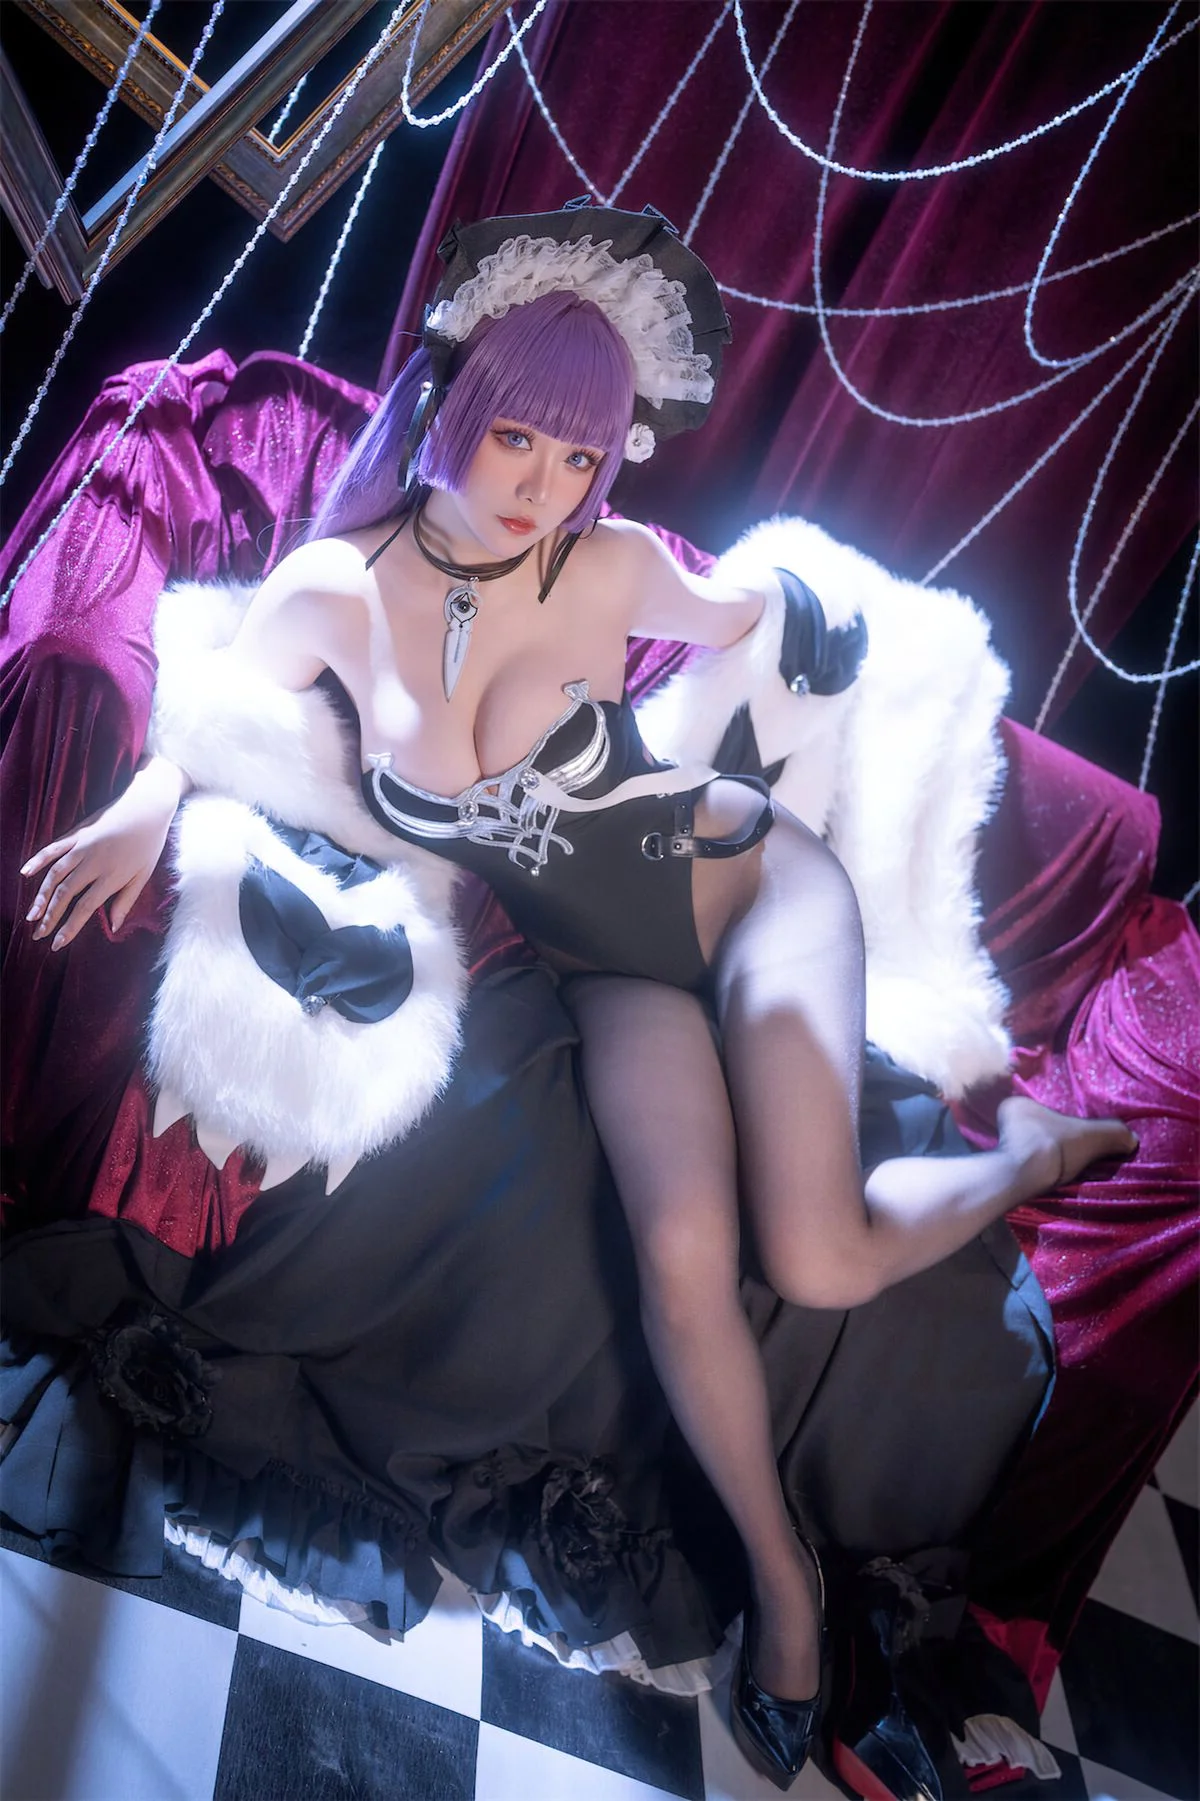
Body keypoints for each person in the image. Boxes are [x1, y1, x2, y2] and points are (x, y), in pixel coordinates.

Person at [16, 205, 1133, 1791]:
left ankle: (1030, 1154)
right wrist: (145, 806)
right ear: (458, 404)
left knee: (817, 1252)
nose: (538, 484)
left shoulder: (610, 566)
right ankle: (786, 1590)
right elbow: (213, 705)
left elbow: (754, 607)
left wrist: (815, 625)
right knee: (693, 1259)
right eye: (518, 438)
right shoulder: (337, 588)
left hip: (751, 890)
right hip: (616, 973)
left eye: (577, 456)